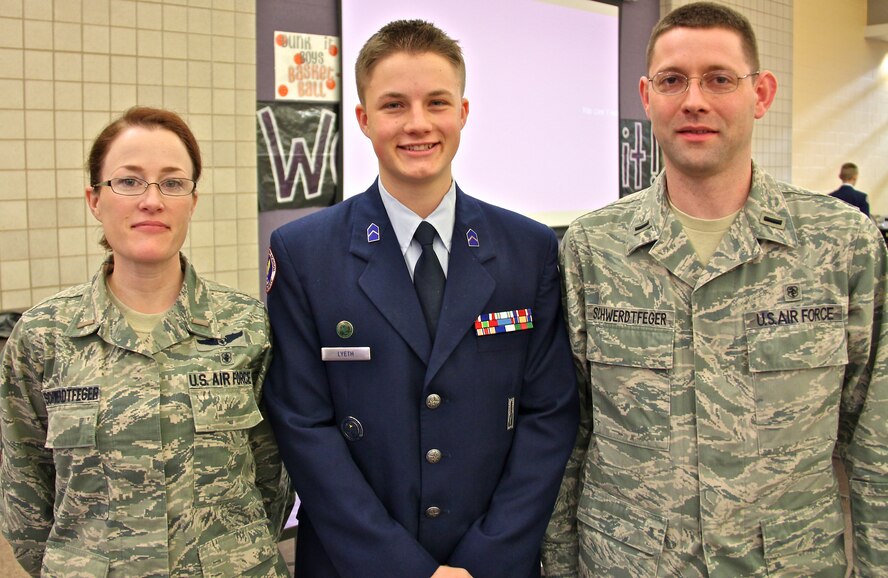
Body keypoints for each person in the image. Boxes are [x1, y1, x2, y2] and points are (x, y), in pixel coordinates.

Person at [542, 3, 888, 577]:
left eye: (720, 79)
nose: (694, 100)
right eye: (673, 80)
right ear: (646, 95)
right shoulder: (591, 249)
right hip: (629, 565)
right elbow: (565, 436)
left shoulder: (840, 245)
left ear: (762, 94)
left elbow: (876, 437)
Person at [264, 19, 578, 578]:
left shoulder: (527, 249)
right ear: (362, 119)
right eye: (393, 105)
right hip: (356, 563)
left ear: (462, 111)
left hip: (493, 561)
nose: (418, 124)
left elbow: (548, 414)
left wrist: (487, 558)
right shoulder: (305, 253)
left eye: (436, 102)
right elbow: (302, 426)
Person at [0, 107, 291, 577]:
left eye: (173, 183)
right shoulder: (43, 337)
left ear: (192, 201)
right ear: (94, 198)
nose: (152, 200)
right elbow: (24, 494)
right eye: (129, 181)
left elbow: (275, 477)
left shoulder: (248, 327)